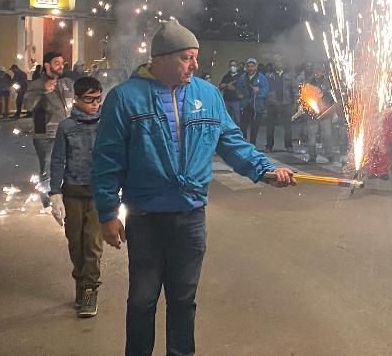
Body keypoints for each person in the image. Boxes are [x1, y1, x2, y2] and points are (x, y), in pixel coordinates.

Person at [92, 18, 295, 356]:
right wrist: (106, 212)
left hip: (191, 217)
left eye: (195, 57)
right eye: (187, 57)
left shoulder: (208, 95)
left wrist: (266, 170)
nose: (195, 65)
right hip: (145, 217)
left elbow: (232, 143)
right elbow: (107, 159)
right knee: (142, 300)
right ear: (161, 58)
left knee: (184, 300)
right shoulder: (125, 99)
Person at [49, 76, 105, 318]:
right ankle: (80, 282)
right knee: (76, 243)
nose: (95, 104)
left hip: (98, 194)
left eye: (98, 99)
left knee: (93, 243)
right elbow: (58, 160)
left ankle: (90, 290)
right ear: (77, 99)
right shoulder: (66, 127)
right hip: (73, 192)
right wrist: (54, 193)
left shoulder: (106, 125)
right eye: (90, 99)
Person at [25, 51, 75, 208]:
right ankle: (48, 201)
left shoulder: (66, 82)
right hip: (46, 133)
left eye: (62, 63)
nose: (61, 66)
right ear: (47, 65)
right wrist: (43, 90)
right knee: (47, 167)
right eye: (56, 63)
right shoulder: (36, 84)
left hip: (68, 131)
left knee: (68, 165)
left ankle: (63, 196)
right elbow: (28, 105)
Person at [234, 58, 267, 145]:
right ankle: (244, 144)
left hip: (257, 106)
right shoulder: (242, 77)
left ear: (256, 67)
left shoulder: (262, 77)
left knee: (254, 128)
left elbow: (266, 91)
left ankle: (253, 145)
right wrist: (239, 94)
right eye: (248, 66)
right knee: (243, 127)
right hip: (245, 105)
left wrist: (258, 91)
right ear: (246, 67)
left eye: (252, 66)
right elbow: (238, 89)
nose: (250, 69)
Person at [263, 62, 295, 153]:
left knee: (288, 126)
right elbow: (266, 89)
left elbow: (294, 89)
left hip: (286, 103)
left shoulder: (289, 76)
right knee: (270, 126)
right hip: (272, 104)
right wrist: (266, 102)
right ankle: (269, 146)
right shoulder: (269, 76)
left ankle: (288, 145)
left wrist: (294, 102)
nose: (279, 64)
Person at [217, 60, 241, 126]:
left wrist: (234, 89)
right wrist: (221, 86)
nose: (232, 67)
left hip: (236, 101)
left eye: (234, 65)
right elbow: (220, 87)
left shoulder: (241, 77)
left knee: (237, 120)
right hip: (226, 101)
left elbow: (243, 89)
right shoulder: (226, 76)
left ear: (237, 67)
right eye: (231, 65)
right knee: (226, 118)